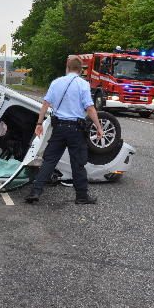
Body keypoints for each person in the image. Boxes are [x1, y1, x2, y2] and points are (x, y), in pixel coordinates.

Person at [25, 55, 104, 205]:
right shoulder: (83, 84)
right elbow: (90, 108)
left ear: (67, 68)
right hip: (75, 130)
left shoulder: (56, 83)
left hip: (59, 128)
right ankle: (81, 196)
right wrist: (98, 127)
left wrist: (39, 123)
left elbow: (45, 104)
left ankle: (35, 192)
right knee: (78, 163)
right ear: (81, 70)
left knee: (49, 160)